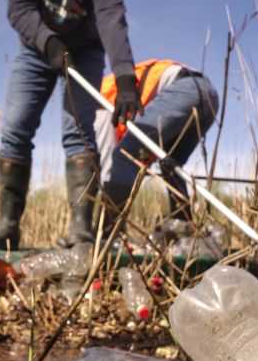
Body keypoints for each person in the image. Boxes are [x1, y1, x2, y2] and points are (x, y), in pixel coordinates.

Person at [0, 0, 139, 250]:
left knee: (79, 130)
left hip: (85, 53)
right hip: (37, 49)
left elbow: (111, 20)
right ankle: (7, 226)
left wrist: (125, 77)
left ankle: (81, 231)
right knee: (16, 126)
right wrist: (49, 43)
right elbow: (19, 9)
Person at [88, 59, 219, 240]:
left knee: (124, 155)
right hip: (208, 96)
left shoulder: (99, 97)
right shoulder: (115, 85)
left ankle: (107, 234)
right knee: (170, 164)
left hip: (184, 90)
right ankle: (184, 229)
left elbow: (109, 161)